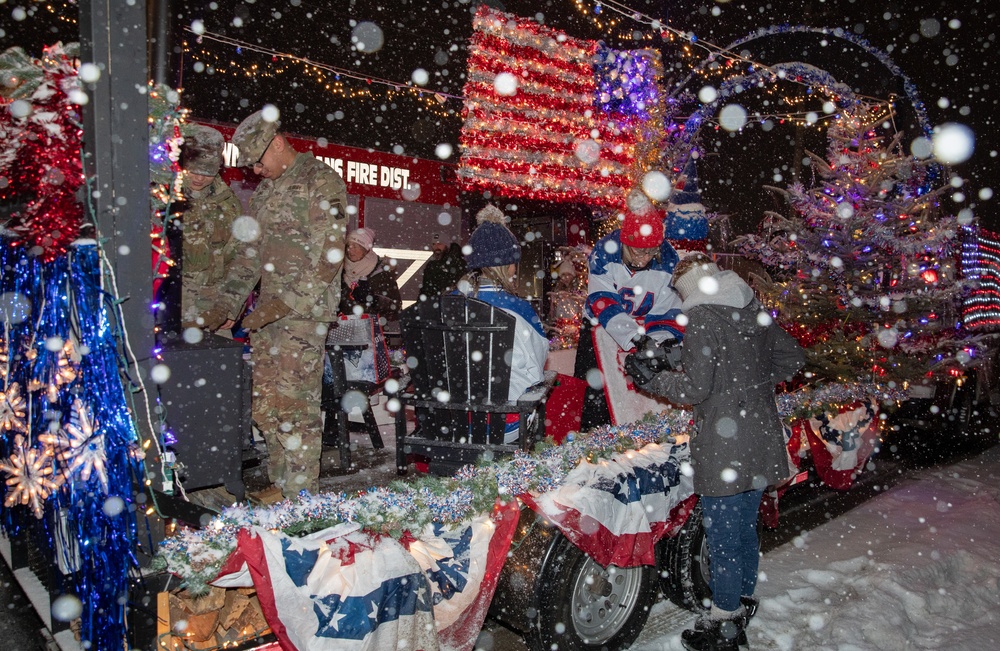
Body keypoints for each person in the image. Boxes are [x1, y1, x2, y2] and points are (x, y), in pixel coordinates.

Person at [626, 253, 804, 651]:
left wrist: (656, 379)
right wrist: (749, 386)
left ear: (688, 288)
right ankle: (740, 605)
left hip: (725, 446)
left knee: (723, 536)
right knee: (743, 530)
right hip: (760, 436)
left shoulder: (704, 316)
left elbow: (694, 390)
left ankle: (724, 624)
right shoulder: (751, 305)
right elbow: (792, 356)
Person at [201, 108, 348, 502]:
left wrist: (282, 304)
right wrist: (227, 303)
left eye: (258, 161)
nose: (255, 171)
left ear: (278, 143)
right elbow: (250, 255)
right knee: (267, 407)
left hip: (303, 314)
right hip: (266, 316)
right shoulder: (265, 193)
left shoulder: (321, 180)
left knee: (296, 409)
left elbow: (331, 256)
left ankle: (301, 498)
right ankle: (281, 485)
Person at [575, 208, 684, 429]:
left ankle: (641, 433)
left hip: (645, 323)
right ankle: (591, 436)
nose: (644, 259)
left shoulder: (668, 260)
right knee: (595, 392)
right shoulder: (605, 252)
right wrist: (633, 337)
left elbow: (667, 309)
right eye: (638, 252)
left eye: (650, 252)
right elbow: (602, 299)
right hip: (600, 327)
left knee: (644, 388)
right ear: (625, 244)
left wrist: (657, 340)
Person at [459, 205, 548, 443]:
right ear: (507, 266)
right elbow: (537, 365)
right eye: (513, 264)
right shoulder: (519, 310)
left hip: (452, 422)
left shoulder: (448, 306)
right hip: (503, 424)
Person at [178, 124, 245, 331]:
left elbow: (241, 256)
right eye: (194, 171)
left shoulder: (228, 203)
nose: (199, 178)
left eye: (206, 173)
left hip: (212, 308)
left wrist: (232, 305)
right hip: (171, 304)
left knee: (217, 360)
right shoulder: (163, 198)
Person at [340, 226, 402, 330]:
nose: (350, 250)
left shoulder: (381, 273)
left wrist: (373, 299)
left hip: (374, 334)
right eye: (349, 246)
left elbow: (395, 306)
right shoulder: (340, 270)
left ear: (366, 249)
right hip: (343, 331)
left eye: (356, 246)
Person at [419, 235, 467, 299]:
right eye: (433, 244)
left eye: (439, 244)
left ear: (447, 245)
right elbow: (426, 290)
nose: (436, 247)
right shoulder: (431, 265)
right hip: (436, 304)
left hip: (451, 302)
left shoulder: (458, 263)